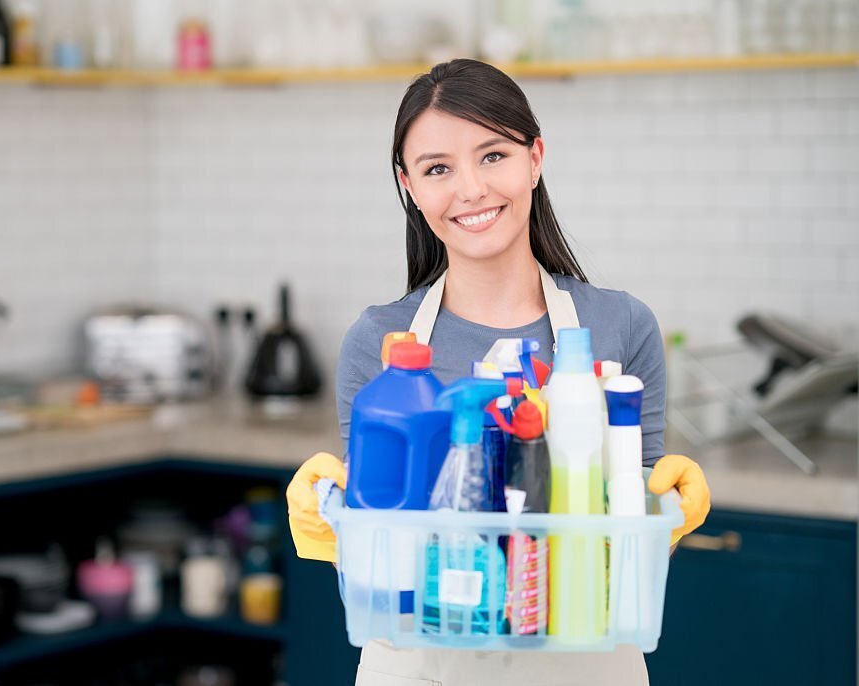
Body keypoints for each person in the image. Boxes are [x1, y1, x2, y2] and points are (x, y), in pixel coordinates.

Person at [286, 58, 711, 686]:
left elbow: (626, 558)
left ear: (534, 159)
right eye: (437, 169)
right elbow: (383, 564)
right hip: (422, 667)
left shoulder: (621, 324)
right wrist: (337, 521)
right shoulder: (379, 342)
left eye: (493, 156)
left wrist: (662, 512)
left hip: (586, 665)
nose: (471, 190)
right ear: (410, 187)